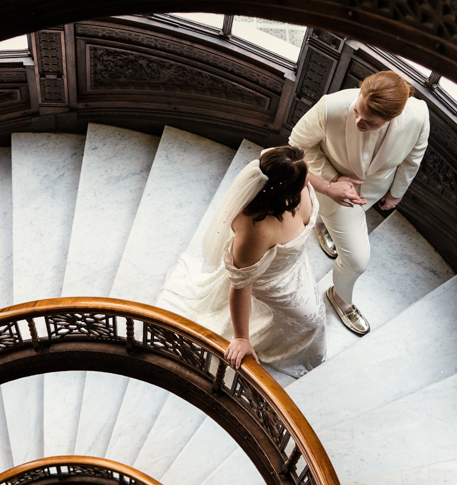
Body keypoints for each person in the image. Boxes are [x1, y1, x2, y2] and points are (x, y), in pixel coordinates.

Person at [157, 146, 325, 375]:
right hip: (273, 281)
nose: (310, 176)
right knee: (309, 320)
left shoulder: (280, 163)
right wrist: (241, 338)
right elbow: (241, 285)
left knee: (310, 317)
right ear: (286, 192)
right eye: (305, 175)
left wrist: (332, 190)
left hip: (296, 265)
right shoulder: (256, 230)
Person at [289, 70, 430, 336]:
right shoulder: (332, 106)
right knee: (357, 261)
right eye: (357, 112)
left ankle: (322, 225)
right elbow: (296, 146)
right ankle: (340, 297)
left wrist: (397, 192)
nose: (357, 122)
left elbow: (414, 156)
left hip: (375, 189)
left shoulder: (419, 115)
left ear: (393, 117)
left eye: (369, 122)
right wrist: (331, 182)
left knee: (339, 232)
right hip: (332, 187)